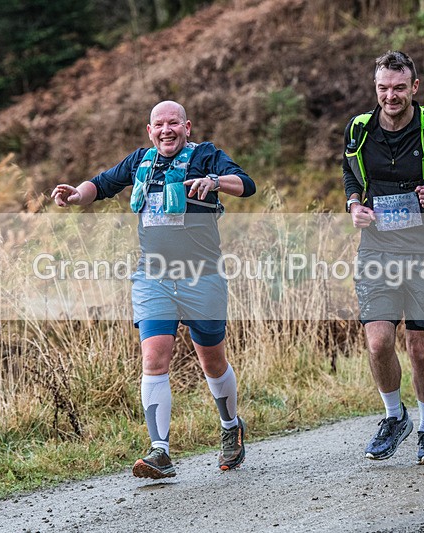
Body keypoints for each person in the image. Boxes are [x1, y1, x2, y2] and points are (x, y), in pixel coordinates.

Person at [52, 100, 256, 479]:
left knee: (211, 360)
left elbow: (247, 185)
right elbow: (99, 184)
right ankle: (159, 451)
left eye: (174, 123)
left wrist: (213, 181)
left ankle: (231, 426)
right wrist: (76, 196)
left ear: (187, 127)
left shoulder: (207, 156)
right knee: (154, 359)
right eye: (159, 124)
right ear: (150, 131)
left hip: (202, 276)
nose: (167, 130)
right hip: (153, 277)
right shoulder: (139, 161)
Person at [342, 51, 424, 465]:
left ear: (414, 87)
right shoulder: (359, 129)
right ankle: (393, 417)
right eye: (383, 88)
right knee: (379, 341)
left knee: (420, 349)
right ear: (376, 88)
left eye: (399, 87)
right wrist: (353, 204)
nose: (391, 95)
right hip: (376, 250)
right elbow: (350, 173)